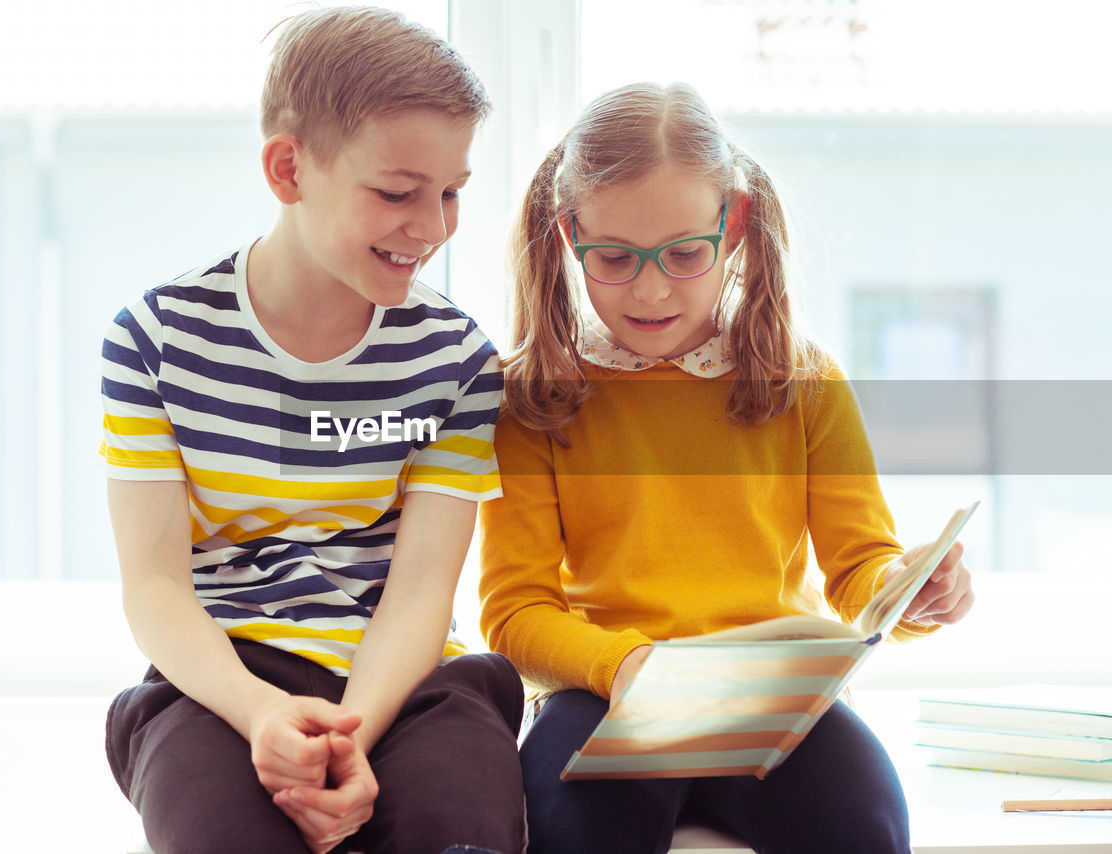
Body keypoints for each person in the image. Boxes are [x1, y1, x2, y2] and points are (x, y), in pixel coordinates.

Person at [478, 82, 974, 854]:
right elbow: (515, 616)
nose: (650, 288)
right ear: (569, 234)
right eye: (614, 258)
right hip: (605, 695)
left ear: (733, 225)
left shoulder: (803, 383)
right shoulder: (536, 399)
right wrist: (626, 664)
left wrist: (911, 594)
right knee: (572, 831)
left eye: (682, 254)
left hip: (772, 701)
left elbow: (860, 571)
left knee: (865, 827)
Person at [100, 8, 525, 854]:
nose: (434, 228)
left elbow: (418, 592)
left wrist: (350, 741)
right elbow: (155, 587)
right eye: (398, 193)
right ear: (288, 168)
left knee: (464, 830)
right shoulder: (156, 340)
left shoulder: (458, 358)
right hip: (221, 685)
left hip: (411, 683)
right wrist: (261, 714)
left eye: (451, 193)